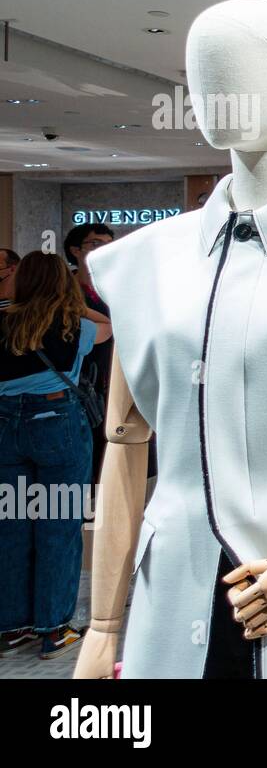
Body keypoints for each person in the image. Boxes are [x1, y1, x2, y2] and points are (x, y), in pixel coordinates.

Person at [0, 251, 112, 660]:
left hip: (5, 432)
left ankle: (12, 628)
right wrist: (73, 301)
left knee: (11, 525)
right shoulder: (73, 325)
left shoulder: (4, 321)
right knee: (58, 525)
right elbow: (108, 327)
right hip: (57, 427)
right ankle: (54, 630)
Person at [64, 224, 115, 485]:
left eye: (109, 242)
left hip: (115, 380)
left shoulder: (119, 286)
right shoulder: (62, 291)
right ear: (75, 251)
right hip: (77, 383)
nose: (104, 249)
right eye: (95, 244)